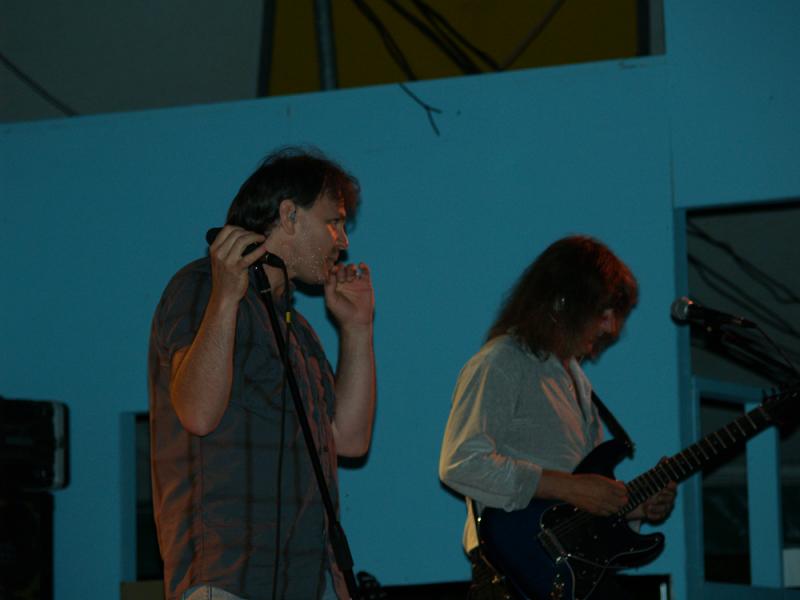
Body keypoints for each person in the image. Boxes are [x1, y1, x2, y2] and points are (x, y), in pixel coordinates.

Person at [148, 147, 375, 600]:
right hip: (225, 577)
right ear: (289, 215)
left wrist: (357, 329)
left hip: (299, 580)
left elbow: (349, 441)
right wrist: (225, 298)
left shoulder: (298, 330)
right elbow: (196, 413)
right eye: (333, 222)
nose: (343, 241)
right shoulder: (201, 287)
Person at [439, 235, 676, 600]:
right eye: (603, 312)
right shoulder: (501, 362)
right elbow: (461, 463)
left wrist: (633, 506)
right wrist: (567, 487)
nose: (610, 327)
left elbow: (580, 499)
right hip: (514, 575)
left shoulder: (577, 381)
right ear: (564, 303)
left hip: (572, 574)